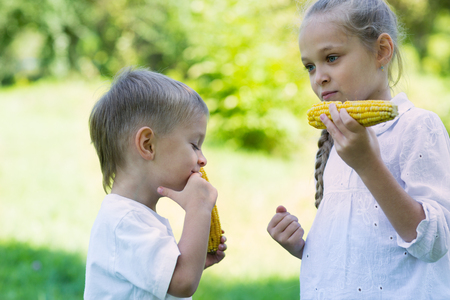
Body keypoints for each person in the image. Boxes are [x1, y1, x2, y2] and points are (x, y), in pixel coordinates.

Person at [267, 0, 450, 298]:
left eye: (332, 57)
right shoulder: (340, 138)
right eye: (310, 66)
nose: (319, 77)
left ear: (381, 51)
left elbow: (434, 242)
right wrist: (302, 248)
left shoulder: (418, 127)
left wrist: (368, 164)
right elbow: (361, 249)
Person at [84, 67, 227, 299]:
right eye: (194, 144)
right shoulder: (124, 222)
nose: (203, 159)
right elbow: (182, 282)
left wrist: (195, 259)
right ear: (148, 144)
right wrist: (199, 207)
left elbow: (168, 279)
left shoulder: (134, 217)